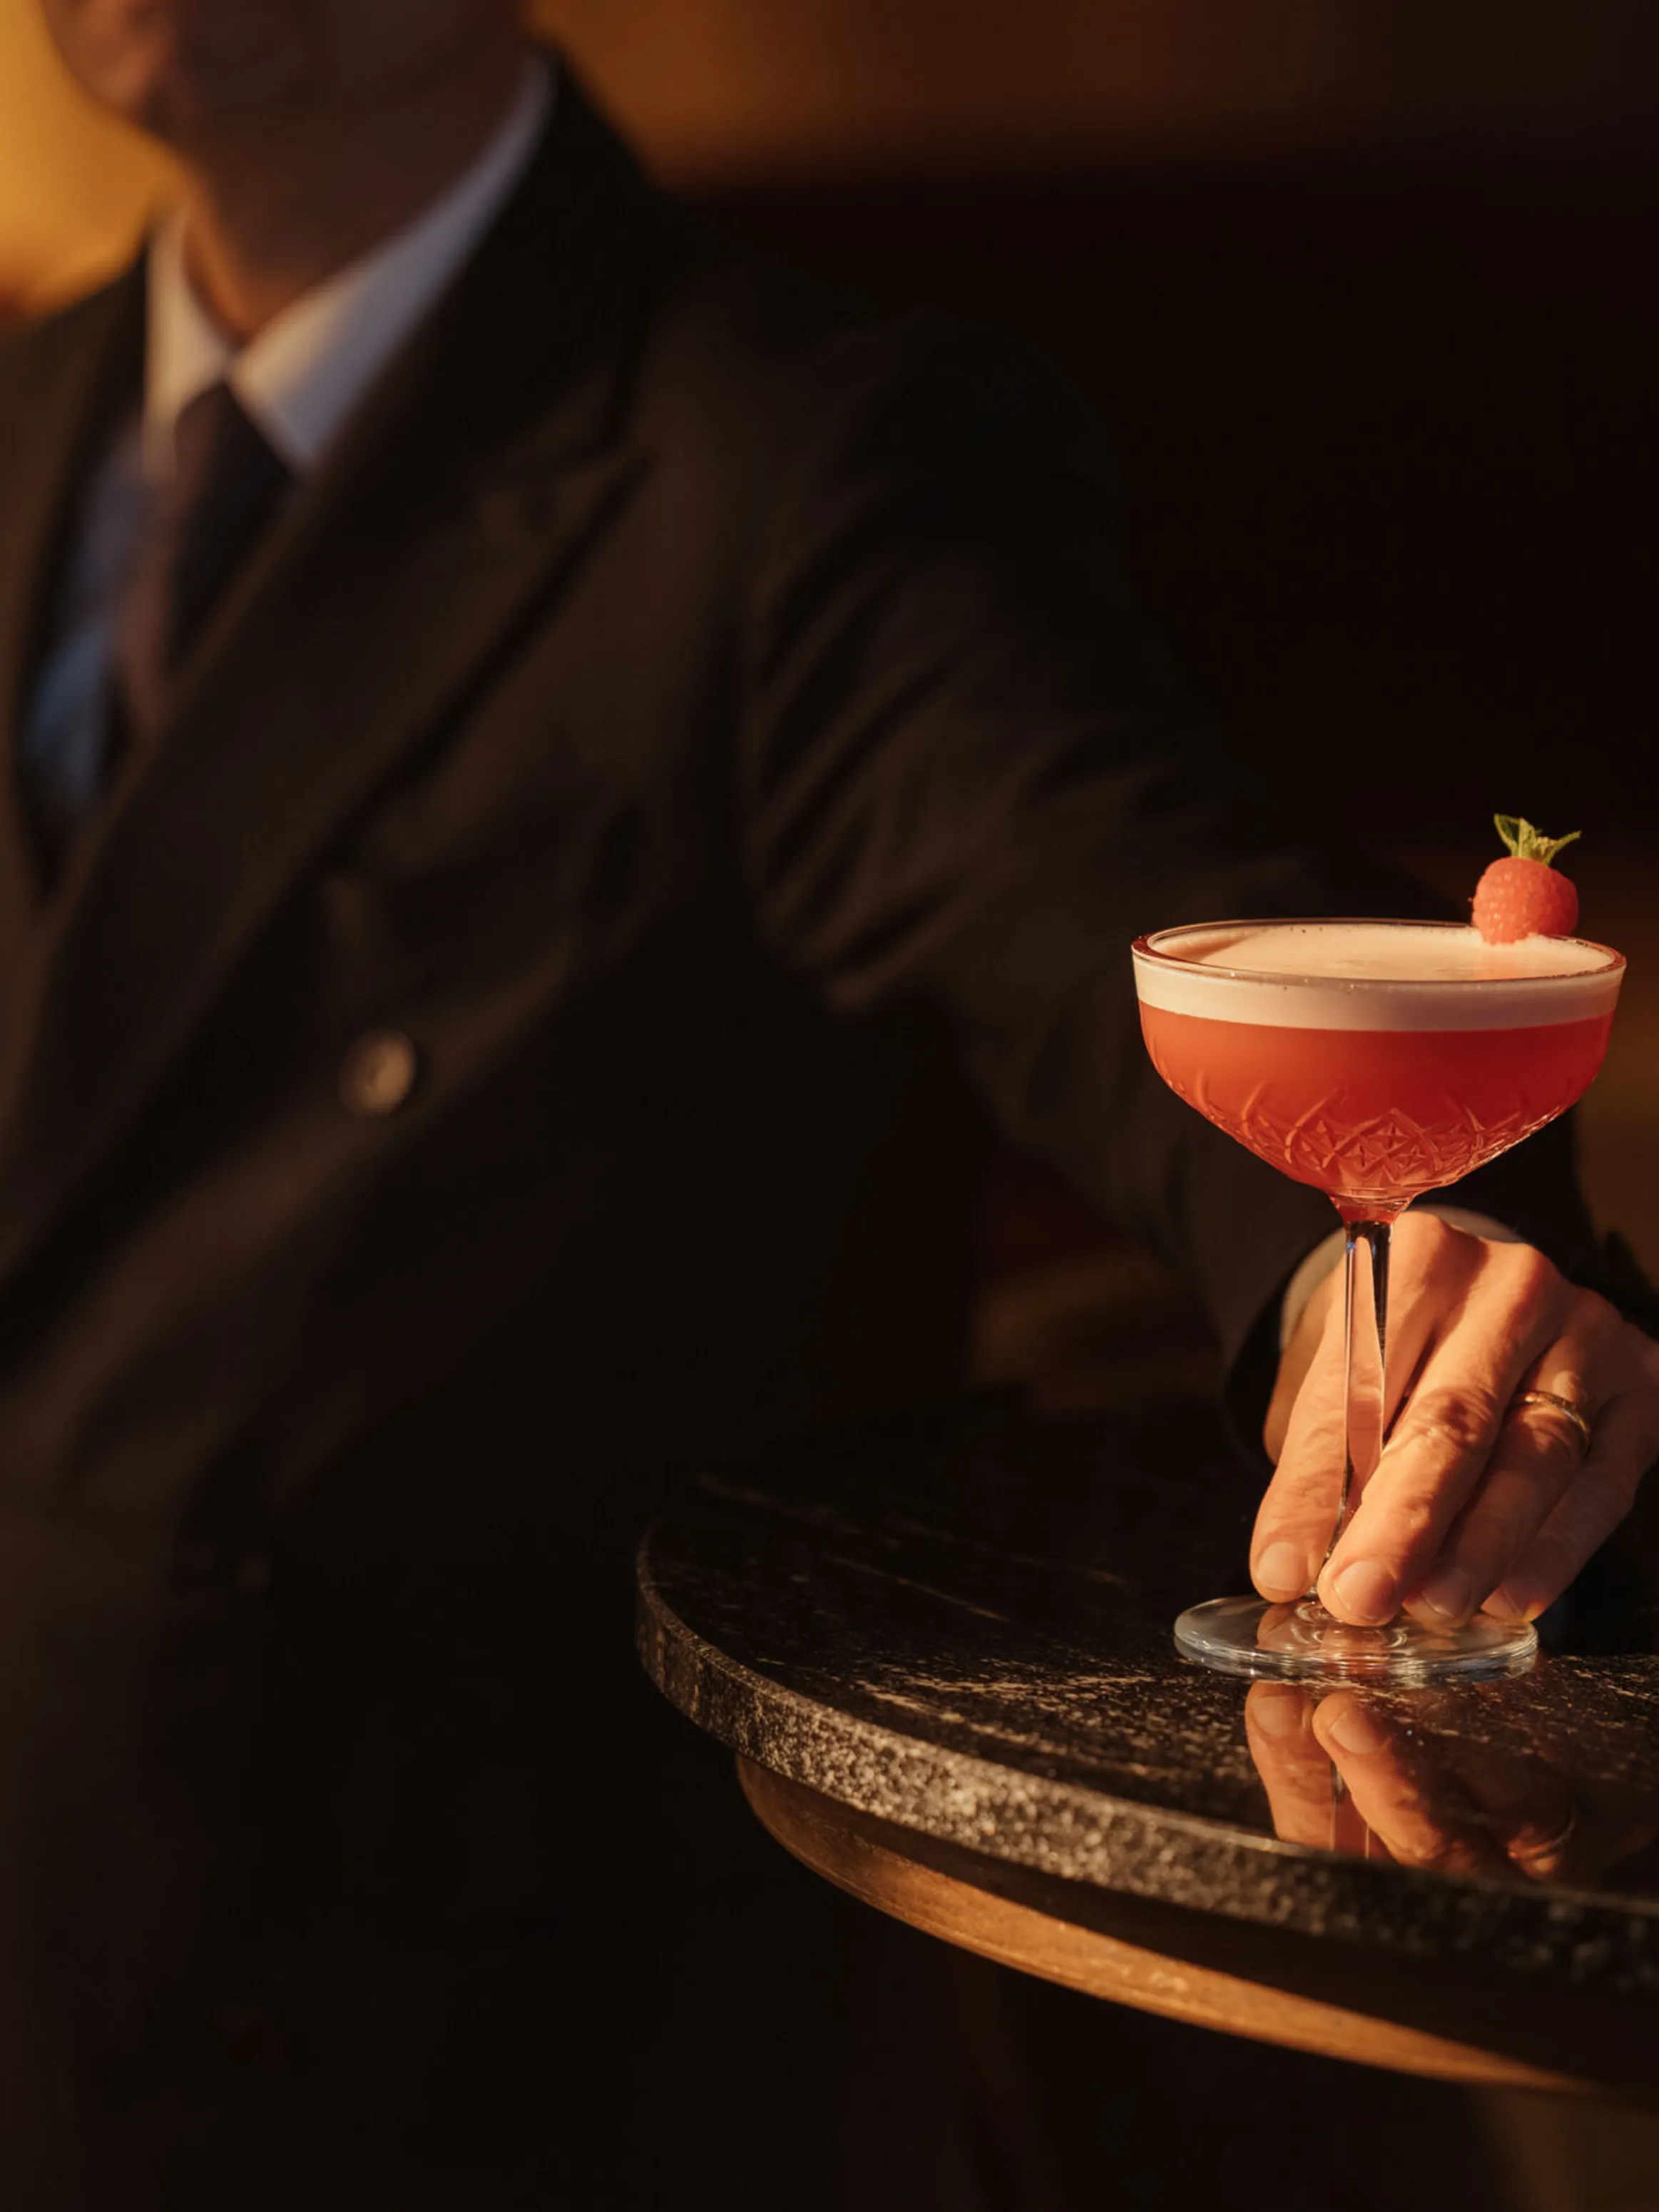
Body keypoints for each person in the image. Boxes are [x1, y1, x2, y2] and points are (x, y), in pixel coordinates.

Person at [3, 0, 1656, 2201]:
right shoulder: (20, 418)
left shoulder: (804, 459)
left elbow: (1124, 907)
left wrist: (1425, 1258)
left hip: (474, 2062)